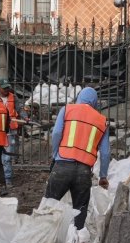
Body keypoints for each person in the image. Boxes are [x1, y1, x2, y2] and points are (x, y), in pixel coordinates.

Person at [46, 87, 110, 230]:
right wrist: (103, 176)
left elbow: (56, 133)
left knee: (48, 207)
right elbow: (105, 153)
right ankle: (77, 238)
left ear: (79, 97)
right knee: (80, 212)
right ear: (95, 102)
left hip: (62, 165)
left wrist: (55, 155)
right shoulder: (102, 121)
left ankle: (41, 238)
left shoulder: (67, 109)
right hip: (84, 172)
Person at [0, 79, 29, 186]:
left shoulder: (13, 97)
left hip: (10, 129)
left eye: (8, 88)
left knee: (7, 155)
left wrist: (25, 117)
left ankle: (8, 179)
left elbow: (20, 109)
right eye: (4, 88)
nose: (7, 90)